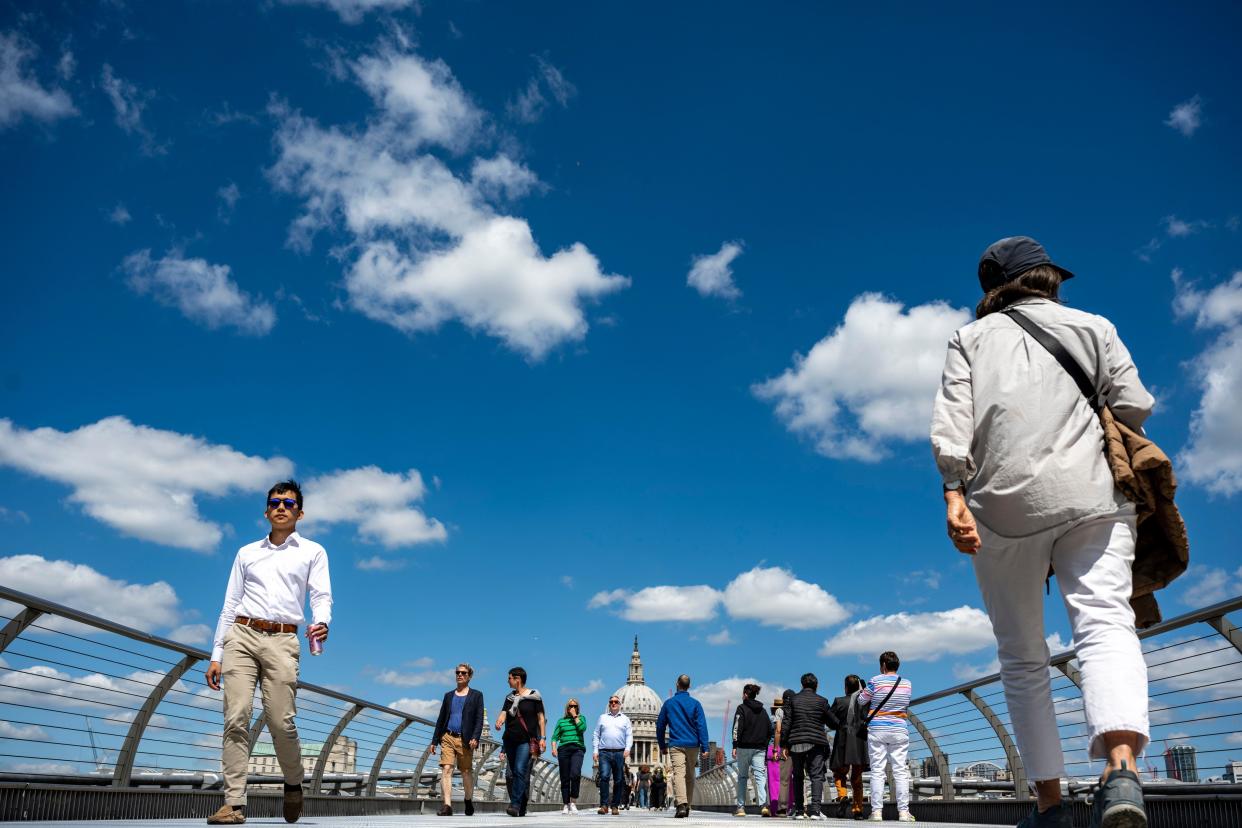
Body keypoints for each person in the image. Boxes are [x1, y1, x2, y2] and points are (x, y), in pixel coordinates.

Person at [931, 236, 1155, 828]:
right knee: (1106, 622)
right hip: (1093, 496)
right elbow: (1134, 405)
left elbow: (952, 422)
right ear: (1049, 278)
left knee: (1023, 655)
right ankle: (1122, 770)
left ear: (992, 289)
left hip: (1001, 509)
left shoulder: (970, 338)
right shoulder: (1095, 327)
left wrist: (955, 494)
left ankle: (1050, 804)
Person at [205, 480, 331, 826]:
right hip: (241, 636)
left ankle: (293, 782)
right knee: (236, 717)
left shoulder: (312, 552)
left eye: (288, 504)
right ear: (266, 510)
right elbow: (230, 604)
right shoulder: (247, 552)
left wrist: (322, 622)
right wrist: (217, 652)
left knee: (280, 721)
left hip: (283, 640)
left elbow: (321, 595)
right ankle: (233, 803)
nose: (281, 507)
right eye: (275, 502)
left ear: (299, 513)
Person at [857, 653, 913, 822]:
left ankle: (877, 812)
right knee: (900, 771)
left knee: (878, 771)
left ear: (883, 665)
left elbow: (861, 700)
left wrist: (863, 690)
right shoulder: (907, 683)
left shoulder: (875, 681)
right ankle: (903, 812)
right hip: (899, 729)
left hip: (877, 729)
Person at [782, 673, 841, 820]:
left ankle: (800, 811)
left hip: (796, 743)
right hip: (816, 742)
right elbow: (833, 723)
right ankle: (815, 811)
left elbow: (786, 723)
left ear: (802, 685)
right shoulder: (822, 701)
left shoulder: (793, 700)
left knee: (798, 776)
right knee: (816, 775)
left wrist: (784, 744)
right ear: (817, 686)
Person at [431, 663, 484, 816]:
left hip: (465, 739)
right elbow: (441, 719)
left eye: (463, 673)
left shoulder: (476, 695)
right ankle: (447, 806)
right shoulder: (448, 695)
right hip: (447, 736)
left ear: (469, 676)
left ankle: (468, 799)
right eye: (457, 672)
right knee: (446, 769)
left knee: (466, 772)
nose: (460, 675)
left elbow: (479, 718)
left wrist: (475, 737)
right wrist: (434, 740)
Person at [656, 674, 710, 818]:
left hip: (676, 743)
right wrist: (705, 746)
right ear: (689, 686)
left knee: (678, 774)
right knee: (690, 774)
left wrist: (662, 745)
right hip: (693, 744)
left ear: (676, 684)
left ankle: (681, 804)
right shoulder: (696, 704)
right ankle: (688, 805)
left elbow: (660, 726)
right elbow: (702, 726)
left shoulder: (669, 703)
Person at [495, 667, 546, 818]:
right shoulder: (509, 697)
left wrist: (542, 738)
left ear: (518, 679)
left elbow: (541, 718)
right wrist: (499, 721)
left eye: (509, 678)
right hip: (510, 739)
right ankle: (521, 803)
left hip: (526, 740)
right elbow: (504, 712)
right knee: (510, 775)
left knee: (519, 770)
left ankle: (515, 804)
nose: (507, 680)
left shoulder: (534, 697)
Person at [830, 675, 869, 820]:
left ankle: (842, 796)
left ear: (845, 687)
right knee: (857, 776)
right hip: (859, 740)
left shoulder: (839, 701)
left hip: (843, 739)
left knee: (839, 773)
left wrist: (839, 724)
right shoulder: (863, 702)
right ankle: (858, 809)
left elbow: (830, 719)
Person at [731, 683, 773, 817]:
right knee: (760, 776)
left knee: (743, 777)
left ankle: (741, 808)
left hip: (744, 747)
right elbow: (769, 730)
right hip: (759, 749)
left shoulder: (741, 708)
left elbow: (737, 728)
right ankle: (764, 806)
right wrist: (764, 745)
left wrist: (734, 745)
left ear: (745, 695)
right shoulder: (763, 711)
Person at [593, 694, 633, 815]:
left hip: (620, 752)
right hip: (604, 751)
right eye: (611, 702)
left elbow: (629, 735)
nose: (613, 703)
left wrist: (628, 748)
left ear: (620, 704)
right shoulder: (602, 718)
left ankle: (615, 805)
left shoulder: (625, 719)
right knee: (604, 777)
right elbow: (596, 734)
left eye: (616, 702)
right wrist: (595, 750)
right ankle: (604, 805)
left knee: (618, 780)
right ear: (609, 704)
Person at [551, 698, 587, 814]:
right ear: (567, 708)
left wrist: (575, 716)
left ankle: (573, 801)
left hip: (577, 748)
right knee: (564, 777)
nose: (573, 708)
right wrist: (553, 748)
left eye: (575, 706)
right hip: (564, 749)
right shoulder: (561, 721)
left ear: (578, 708)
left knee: (575, 774)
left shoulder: (581, 718)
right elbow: (555, 736)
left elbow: (582, 728)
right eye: (571, 706)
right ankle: (566, 804)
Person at [769, 696, 791, 816]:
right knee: (788, 780)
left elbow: (775, 732)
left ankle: (774, 808)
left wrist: (774, 750)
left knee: (774, 780)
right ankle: (792, 806)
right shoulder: (791, 713)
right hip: (787, 747)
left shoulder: (772, 718)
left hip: (773, 749)